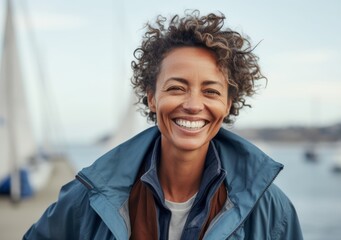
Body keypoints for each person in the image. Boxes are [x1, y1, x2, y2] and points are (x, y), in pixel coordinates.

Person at [24, 10, 303, 240]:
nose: (193, 105)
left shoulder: (272, 212)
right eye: (177, 88)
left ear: (228, 105)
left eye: (211, 91)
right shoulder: (89, 198)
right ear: (152, 98)